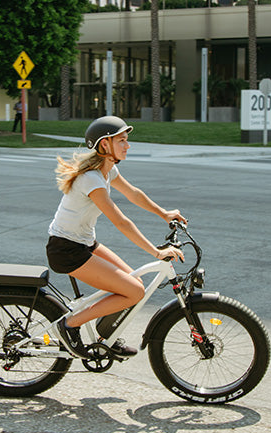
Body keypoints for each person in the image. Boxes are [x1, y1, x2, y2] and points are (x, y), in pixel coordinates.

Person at [46, 116, 186, 358]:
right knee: (133, 291)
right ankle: (68, 326)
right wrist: (156, 252)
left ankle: (104, 337)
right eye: (122, 140)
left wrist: (164, 213)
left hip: (84, 244)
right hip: (66, 250)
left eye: (126, 140)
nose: (127, 145)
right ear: (105, 146)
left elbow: (134, 194)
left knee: (134, 284)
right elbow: (121, 221)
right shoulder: (91, 179)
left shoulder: (107, 171)